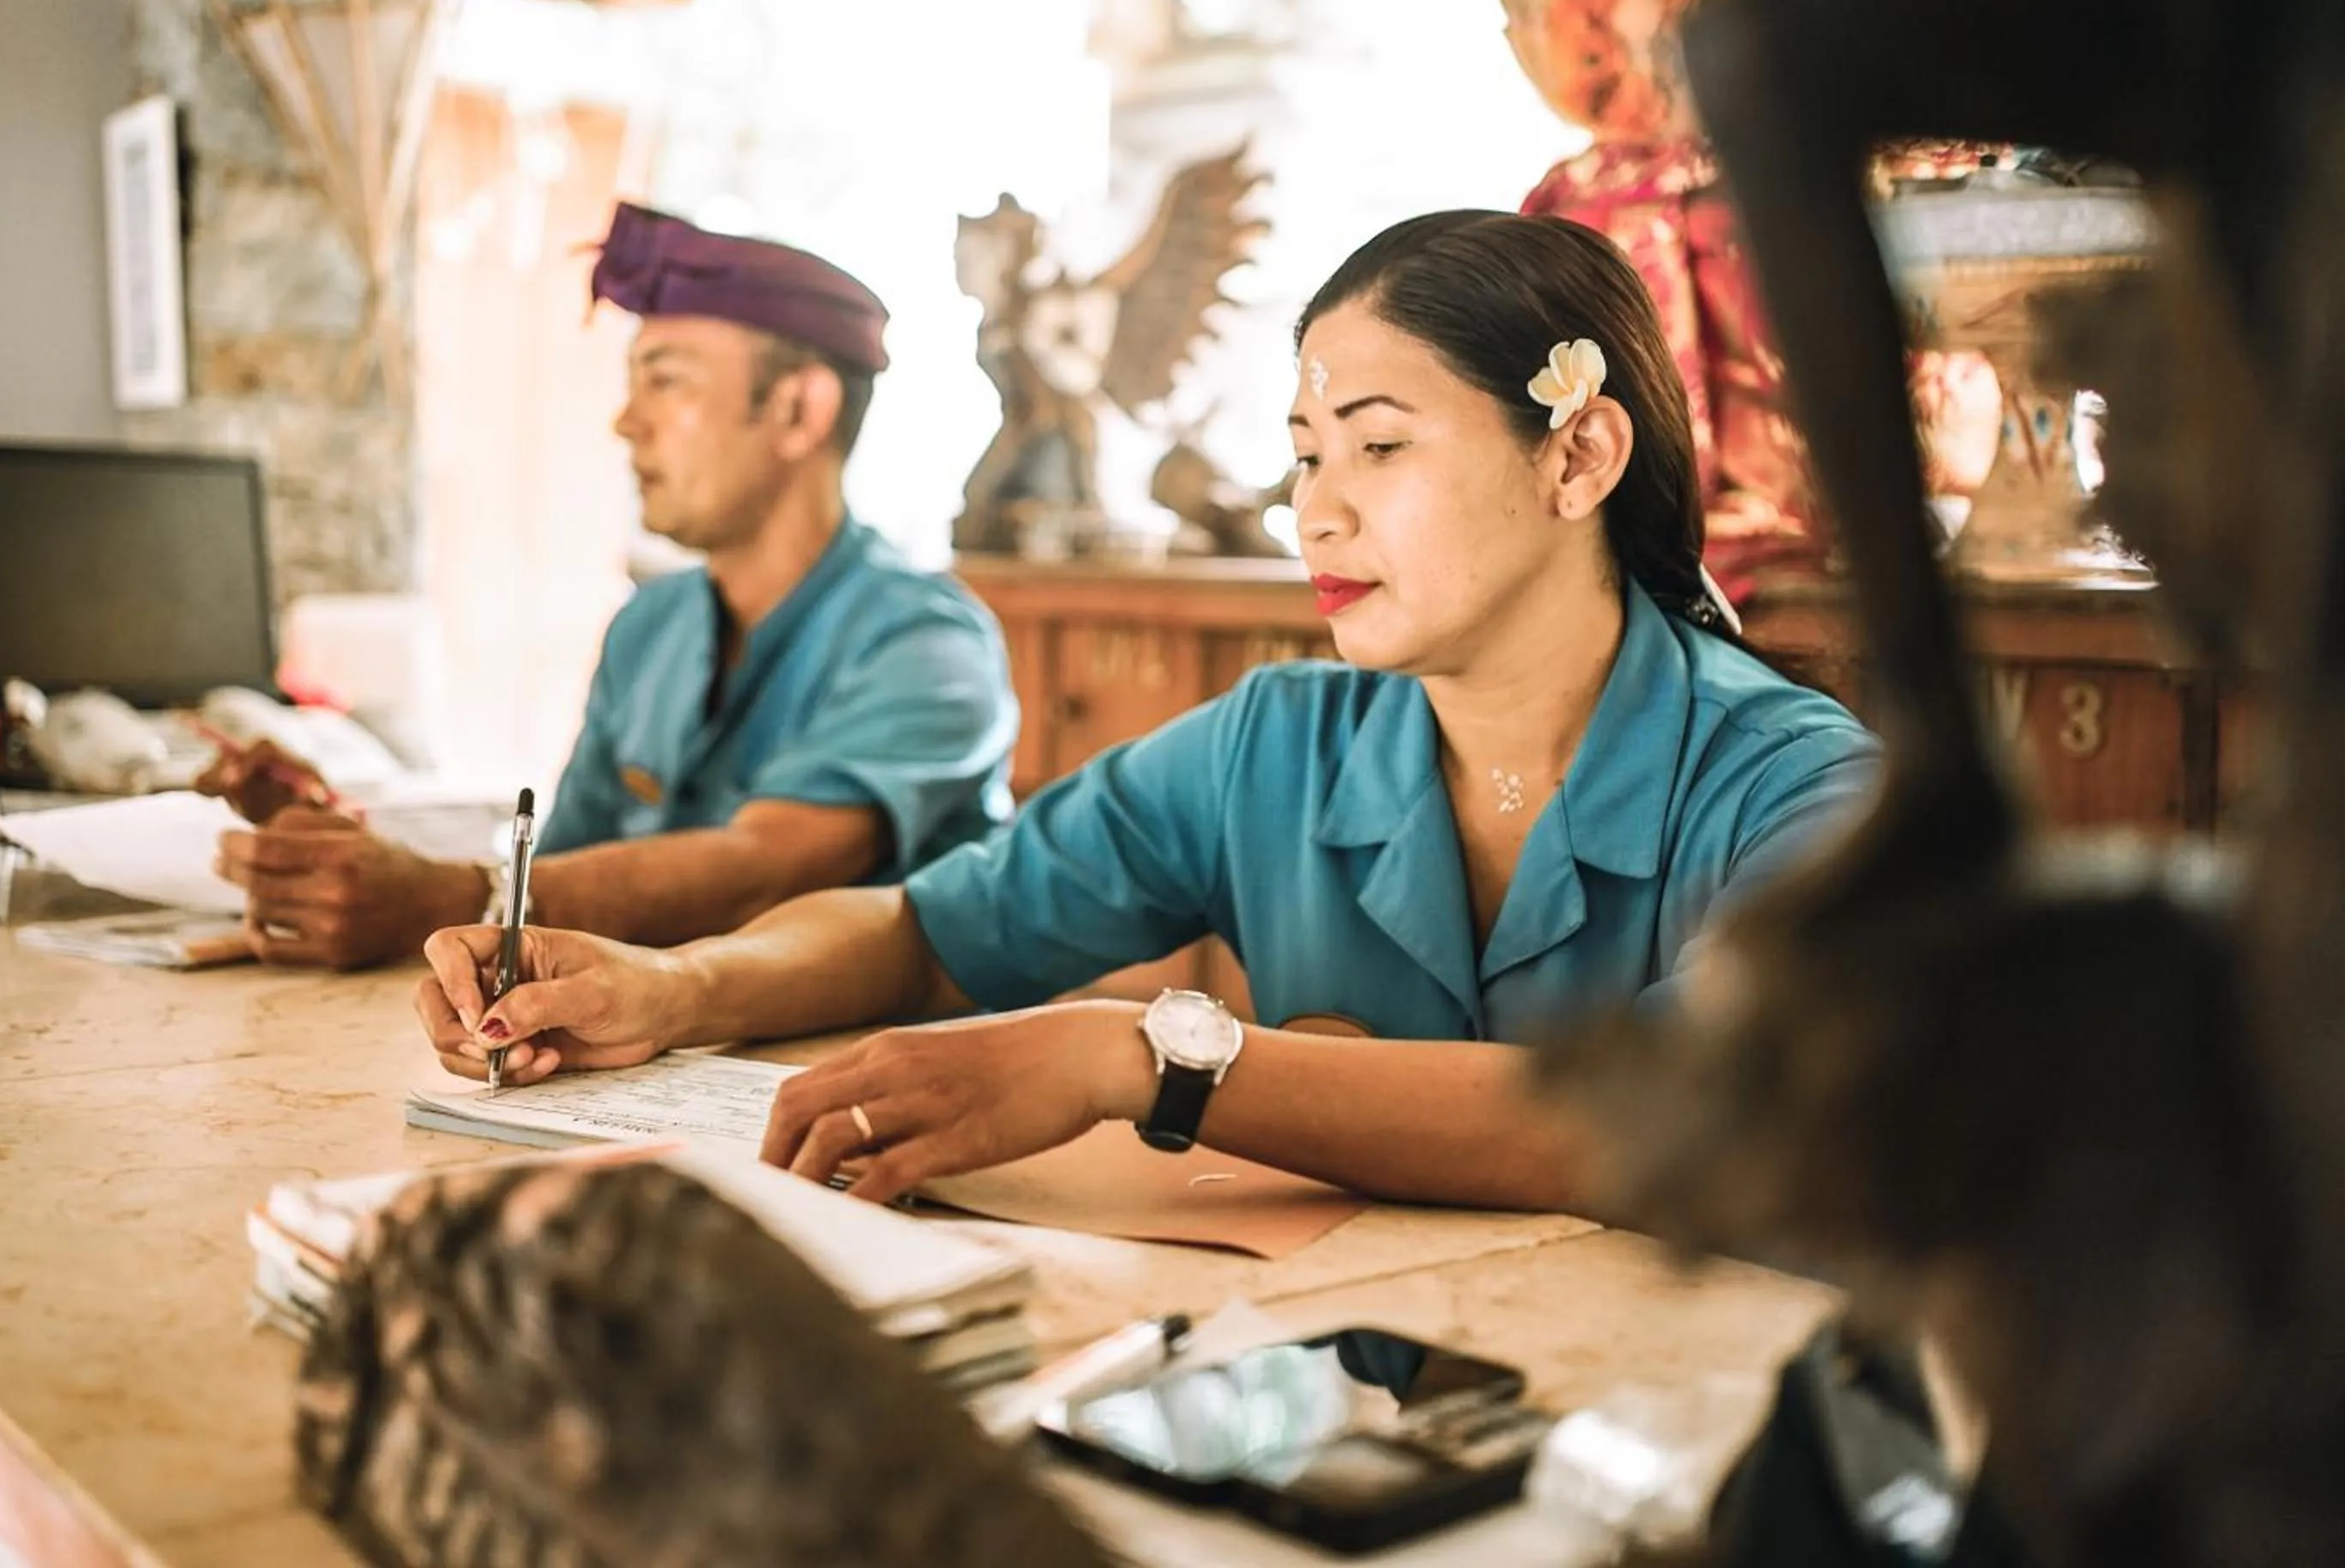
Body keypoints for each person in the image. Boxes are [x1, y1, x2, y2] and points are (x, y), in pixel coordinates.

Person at [411, 211, 1879, 1212]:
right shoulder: (1278, 744)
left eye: (1378, 447)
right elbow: (932, 927)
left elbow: (1663, 1114)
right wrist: (675, 990)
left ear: (1578, 459)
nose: (1318, 512)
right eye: (1304, 456)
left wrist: (1146, 1060)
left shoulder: (1801, 792)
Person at [204, 205, 1018, 968]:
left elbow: (766, 868)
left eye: (666, 381)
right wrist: (336, 852)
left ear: (799, 410)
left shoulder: (929, 646)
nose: (626, 422)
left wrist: (454, 900)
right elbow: (561, 871)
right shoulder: (650, 626)